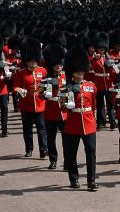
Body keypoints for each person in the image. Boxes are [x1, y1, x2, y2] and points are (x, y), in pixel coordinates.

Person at [61, 47, 98, 191]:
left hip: (88, 123)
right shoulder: (66, 88)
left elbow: (94, 106)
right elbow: (62, 108)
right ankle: (74, 179)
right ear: (72, 72)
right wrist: (67, 103)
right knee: (71, 154)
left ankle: (91, 181)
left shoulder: (91, 86)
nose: (80, 74)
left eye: (82, 71)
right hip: (73, 124)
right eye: (77, 72)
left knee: (91, 153)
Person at [12, 37, 48, 160]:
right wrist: (26, 93)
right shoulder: (20, 73)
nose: (33, 64)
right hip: (26, 105)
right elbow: (15, 88)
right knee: (27, 129)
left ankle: (43, 149)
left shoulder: (42, 71)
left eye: (35, 62)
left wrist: (44, 92)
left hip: (40, 104)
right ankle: (29, 149)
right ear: (26, 61)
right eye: (31, 62)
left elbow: (45, 86)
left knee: (41, 129)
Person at [40, 44, 66, 171]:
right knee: (51, 139)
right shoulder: (46, 78)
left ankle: (68, 161)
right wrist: (45, 92)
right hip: (50, 111)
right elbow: (40, 95)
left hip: (64, 112)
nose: (59, 66)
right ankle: (53, 160)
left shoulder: (67, 77)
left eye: (60, 64)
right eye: (57, 64)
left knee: (67, 139)